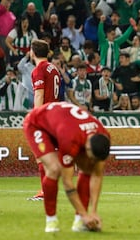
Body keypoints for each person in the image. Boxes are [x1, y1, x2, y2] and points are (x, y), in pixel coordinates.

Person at [23, 101, 110, 232]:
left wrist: (93, 212)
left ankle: (79, 223)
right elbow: (68, 183)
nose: (91, 160)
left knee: (88, 168)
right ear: (86, 146)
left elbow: (97, 173)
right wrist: (85, 214)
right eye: (90, 156)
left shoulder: (103, 135)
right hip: (37, 124)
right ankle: (51, 221)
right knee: (54, 169)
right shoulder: (70, 139)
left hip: (61, 123)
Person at [28, 39, 61, 201]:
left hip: (45, 116)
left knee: (40, 154)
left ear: (32, 52)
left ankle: (46, 191)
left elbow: (39, 94)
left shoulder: (38, 70)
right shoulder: (53, 68)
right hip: (55, 114)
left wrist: (36, 116)